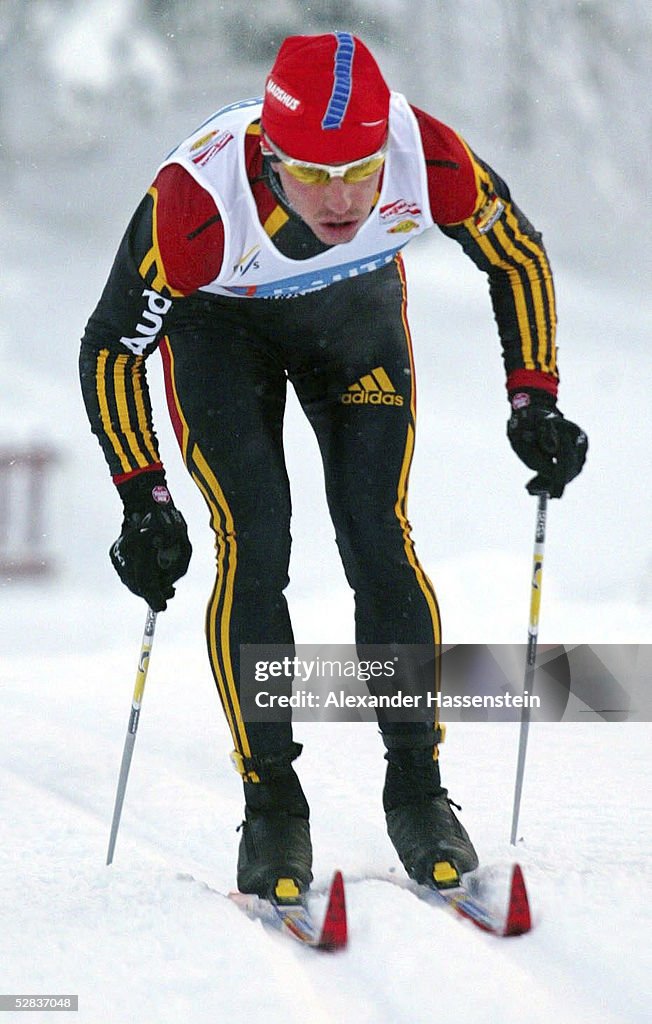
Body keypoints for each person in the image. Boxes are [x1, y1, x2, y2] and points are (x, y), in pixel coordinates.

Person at [79, 32, 587, 899]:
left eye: (360, 169)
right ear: (270, 156)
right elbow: (110, 348)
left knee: (377, 536)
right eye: (314, 174)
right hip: (221, 329)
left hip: (353, 323)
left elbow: (517, 252)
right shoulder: (196, 201)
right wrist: (143, 495)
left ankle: (417, 789)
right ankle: (272, 803)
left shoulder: (424, 151)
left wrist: (533, 394)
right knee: (256, 540)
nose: (344, 197)